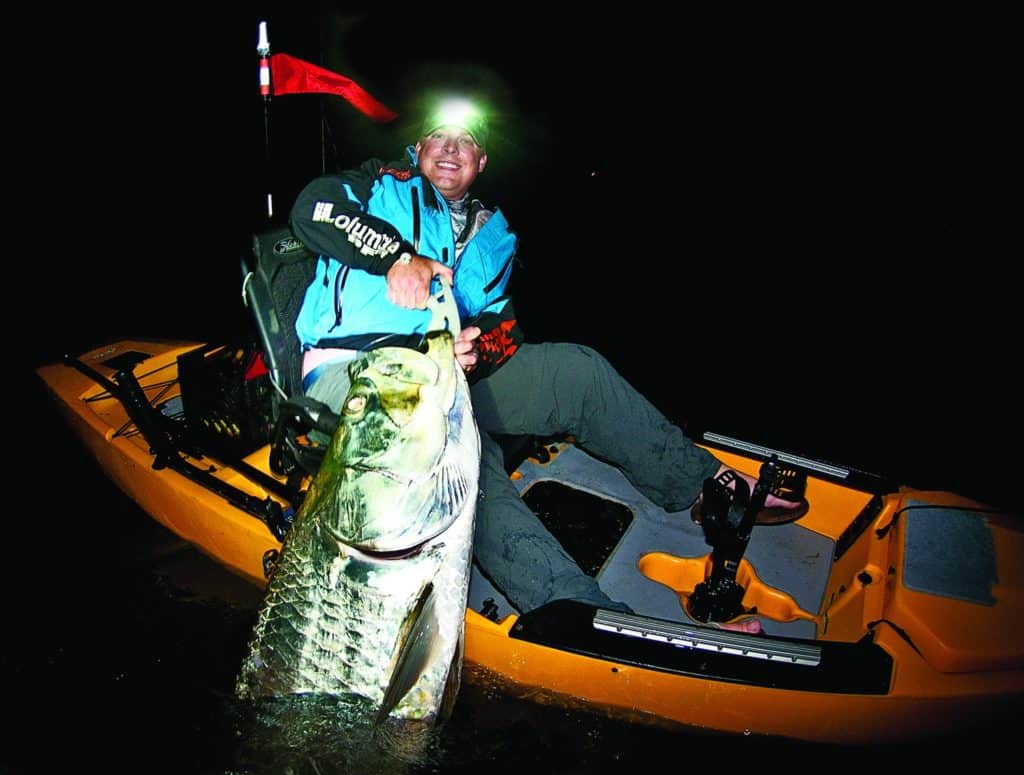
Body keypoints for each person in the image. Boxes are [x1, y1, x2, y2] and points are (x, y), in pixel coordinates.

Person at [288, 96, 802, 628]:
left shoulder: (494, 234)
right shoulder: (379, 185)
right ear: (418, 149)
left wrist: (478, 346)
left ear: (481, 162)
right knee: (460, 464)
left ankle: (704, 488)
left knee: (576, 371)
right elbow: (313, 210)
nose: (450, 149)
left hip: (450, 373)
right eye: (439, 137)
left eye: (465, 141)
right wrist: (397, 257)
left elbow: (505, 321)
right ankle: (585, 614)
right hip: (360, 371)